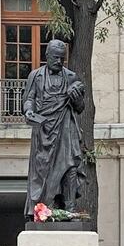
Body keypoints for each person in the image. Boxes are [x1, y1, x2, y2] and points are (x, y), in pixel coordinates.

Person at [23, 39, 87, 220]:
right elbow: (29, 98)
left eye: (62, 58)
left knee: (70, 167)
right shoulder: (35, 76)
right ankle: (43, 210)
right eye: (56, 58)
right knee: (42, 170)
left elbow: (80, 108)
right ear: (47, 56)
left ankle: (70, 209)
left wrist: (76, 98)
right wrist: (28, 110)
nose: (59, 62)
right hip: (44, 129)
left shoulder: (72, 77)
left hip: (66, 126)